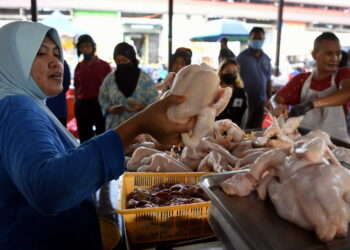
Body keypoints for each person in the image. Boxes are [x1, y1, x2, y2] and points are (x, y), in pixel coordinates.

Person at [0, 21, 195, 250]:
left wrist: (121, 146)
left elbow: (62, 159)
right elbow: (48, 186)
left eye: (56, 52)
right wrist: (137, 124)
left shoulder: (32, 104)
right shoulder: (16, 108)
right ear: (11, 60)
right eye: (40, 53)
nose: (55, 61)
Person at [271, 32, 350, 143]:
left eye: (338, 54)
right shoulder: (301, 80)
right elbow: (276, 98)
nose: (335, 58)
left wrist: (310, 104)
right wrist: (278, 106)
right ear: (314, 55)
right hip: (304, 144)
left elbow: (347, 92)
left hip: (337, 144)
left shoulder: (343, 74)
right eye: (329, 53)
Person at [98, 42, 159, 130]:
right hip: (115, 129)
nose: (121, 64)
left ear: (132, 59)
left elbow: (155, 104)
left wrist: (141, 107)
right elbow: (102, 98)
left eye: (124, 60)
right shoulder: (110, 79)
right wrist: (110, 108)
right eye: (118, 61)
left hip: (140, 129)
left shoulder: (145, 79)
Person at [74, 34, 112, 143]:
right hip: (82, 105)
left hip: (99, 104)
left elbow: (110, 87)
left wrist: (108, 105)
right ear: (79, 49)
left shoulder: (105, 65)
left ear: (93, 47)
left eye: (87, 46)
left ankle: (102, 159)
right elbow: (77, 87)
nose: (85, 49)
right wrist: (76, 104)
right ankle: (86, 159)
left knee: (102, 135)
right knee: (84, 138)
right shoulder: (79, 67)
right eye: (82, 47)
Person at [237, 27, 272, 129]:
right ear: (249, 39)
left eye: (259, 38)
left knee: (257, 128)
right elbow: (236, 78)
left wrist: (269, 99)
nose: (257, 41)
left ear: (263, 39)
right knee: (244, 126)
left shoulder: (266, 58)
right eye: (254, 38)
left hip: (261, 100)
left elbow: (268, 80)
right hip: (246, 100)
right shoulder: (241, 57)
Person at [216, 58, 248, 128]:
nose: (231, 74)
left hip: (234, 131)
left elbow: (244, 115)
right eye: (228, 71)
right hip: (215, 130)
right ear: (221, 71)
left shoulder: (240, 93)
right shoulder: (215, 90)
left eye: (234, 72)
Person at [46, 60, 71, 126]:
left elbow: (66, 84)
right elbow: (66, 84)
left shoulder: (39, 62)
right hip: (56, 107)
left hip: (56, 108)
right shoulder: (62, 62)